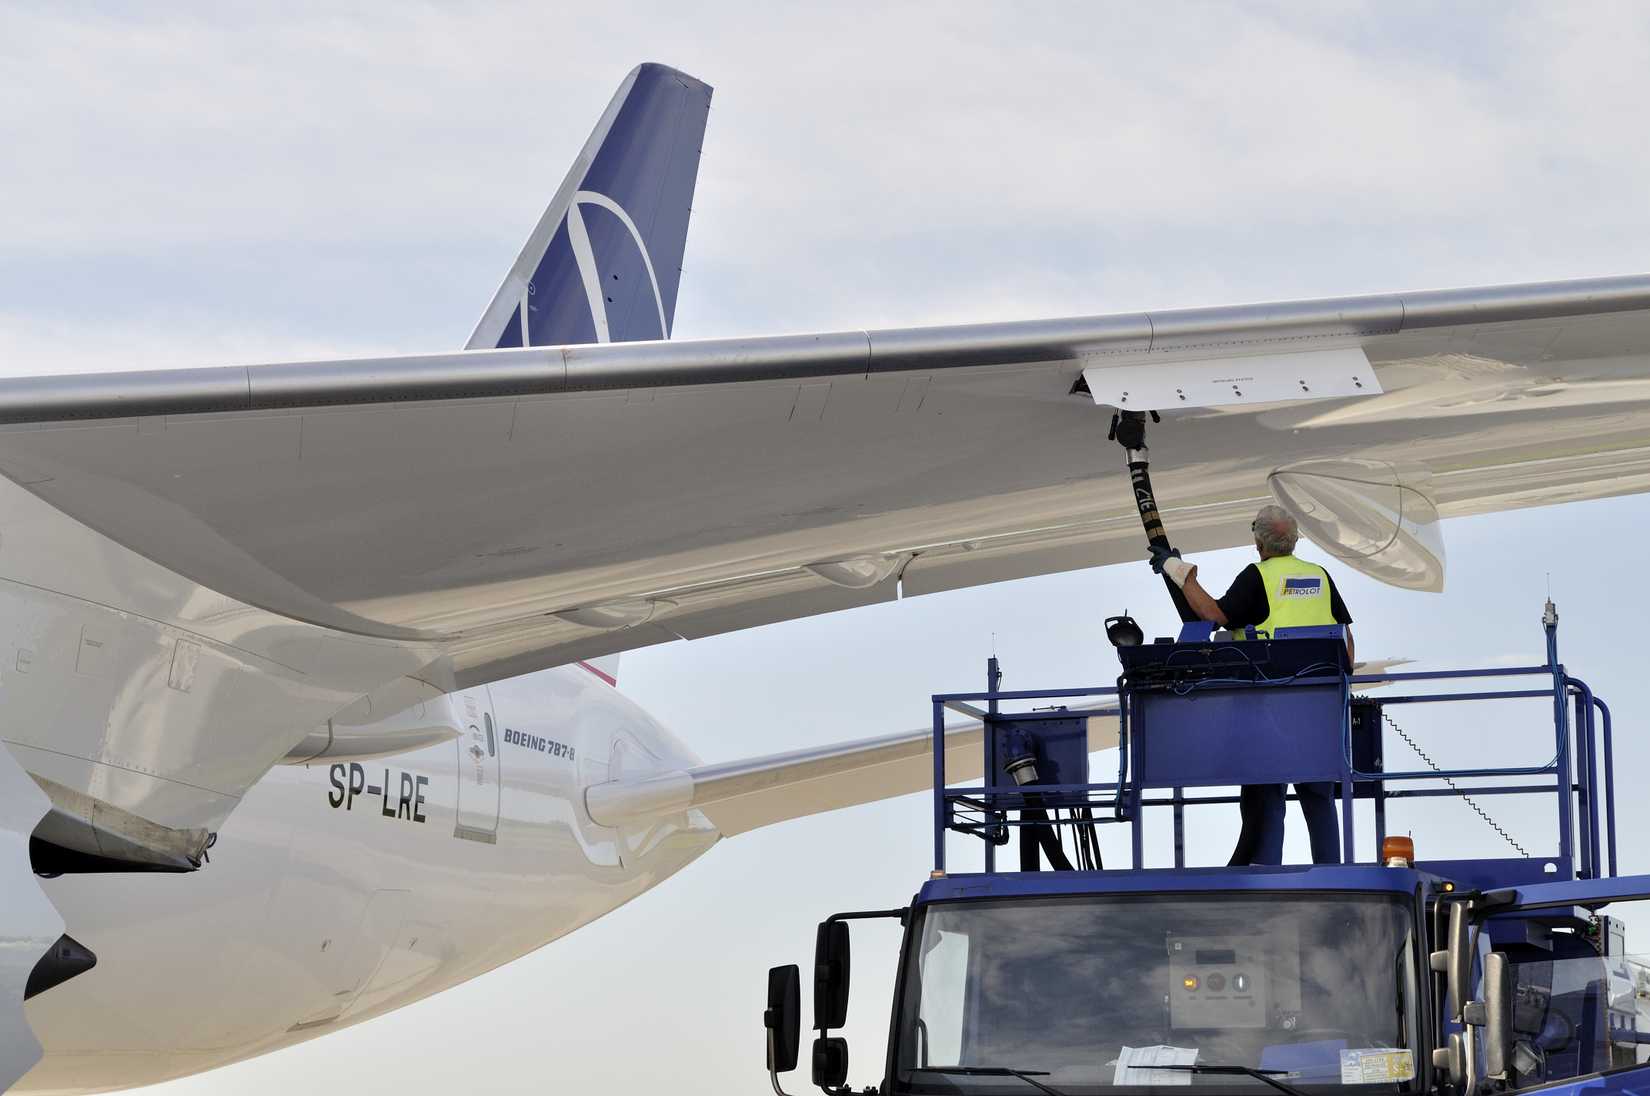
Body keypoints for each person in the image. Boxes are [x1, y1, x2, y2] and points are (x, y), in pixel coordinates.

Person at [1149, 504, 1353, 867]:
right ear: (1294, 540)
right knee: (1319, 796)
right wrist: (1341, 679)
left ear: (1258, 542)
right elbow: (1345, 638)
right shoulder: (1318, 575)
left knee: (1266, 798)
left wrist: (1183, 577)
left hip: (1269, 705)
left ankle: (1266, 872)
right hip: (1318, 706)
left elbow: (1213, 615)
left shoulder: (1258, 577)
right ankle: (1332, 871)